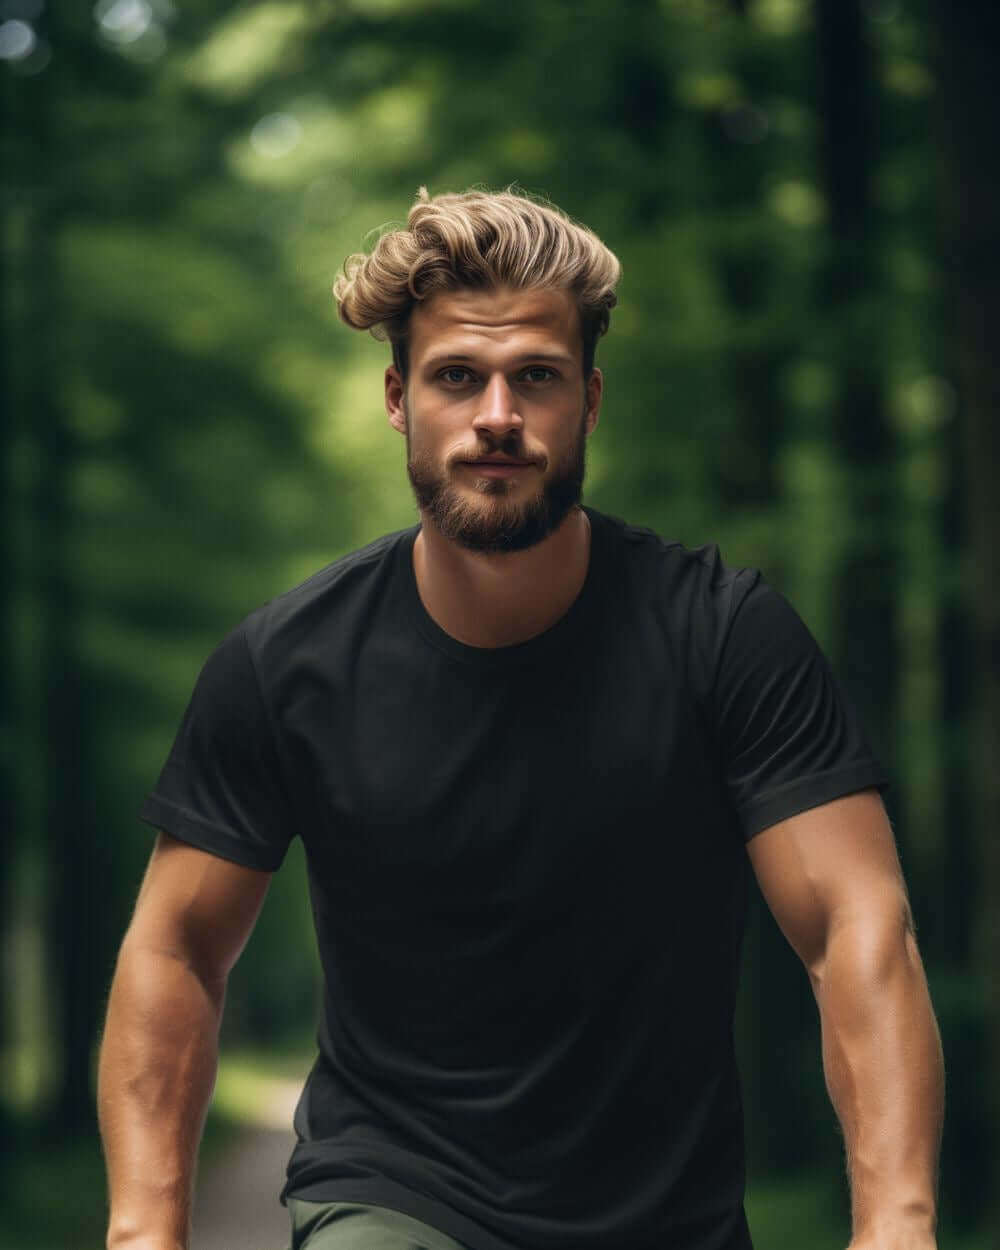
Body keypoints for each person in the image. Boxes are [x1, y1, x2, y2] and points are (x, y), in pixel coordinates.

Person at [98, 187, 944, 1250]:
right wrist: (143, 1228)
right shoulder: (285, 665)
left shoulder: (725, 636)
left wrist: (897, 1222)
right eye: (458, 376)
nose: (497, 413)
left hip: (667, 1218)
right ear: (400, 398)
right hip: (395, 1188)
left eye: (533, 377)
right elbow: (176, 946)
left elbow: (854, 928)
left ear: (586, 400)